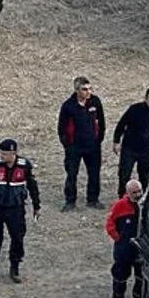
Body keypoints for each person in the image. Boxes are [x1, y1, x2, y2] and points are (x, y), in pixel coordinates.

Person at [0, 139, 41, 283]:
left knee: (17, 238)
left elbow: (32, 186)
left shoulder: (24, 166)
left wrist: (36, 206)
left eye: (5, 153)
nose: (1, 156)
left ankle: (15, 266)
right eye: (0, 152)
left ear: (14, 153)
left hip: (15, 209)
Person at [57, 76, 107, 211]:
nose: (88, 92)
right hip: (74, 147)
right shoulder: (68, 106)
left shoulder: (95, 102)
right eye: (84, 89)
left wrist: (98, 140)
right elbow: (61, 128)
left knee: (94, 173)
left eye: (90, 89)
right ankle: (70, 201)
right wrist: (68, 145)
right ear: (77, 90)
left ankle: (93, 199)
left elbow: (101, 123)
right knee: (72, 174)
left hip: (93, 146)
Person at [105, 179, 145, 298]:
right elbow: (110, 224)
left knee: (141, 279)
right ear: (127, 193)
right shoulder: (119, 206)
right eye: (134, 192)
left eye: (139, 191)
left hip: (141, 249)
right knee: (120, 277)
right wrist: (118, 238)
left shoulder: (144, 205)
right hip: (124, 250)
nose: (138, 194)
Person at [113, 88, 149, 198]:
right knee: (124, 174)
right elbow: (121, 125)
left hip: (146, 150)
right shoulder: (135, 110)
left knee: (145, 176)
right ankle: (123, 198)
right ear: (145, 99)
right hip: (130, 148)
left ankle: (142, 198)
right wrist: (116, 141)